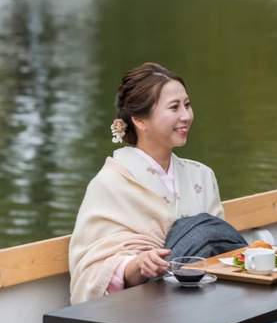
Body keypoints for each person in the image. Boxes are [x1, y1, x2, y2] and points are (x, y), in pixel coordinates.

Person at [68, 62, 224, 303]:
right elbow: (90, 270)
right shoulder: (110, 182)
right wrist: (136, 266)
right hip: (144, 310)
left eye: (187, 105)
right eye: (174, 107)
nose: (186, 116)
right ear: (140, 120)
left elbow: (219, 245)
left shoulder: (202, 175)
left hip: (204, 300)